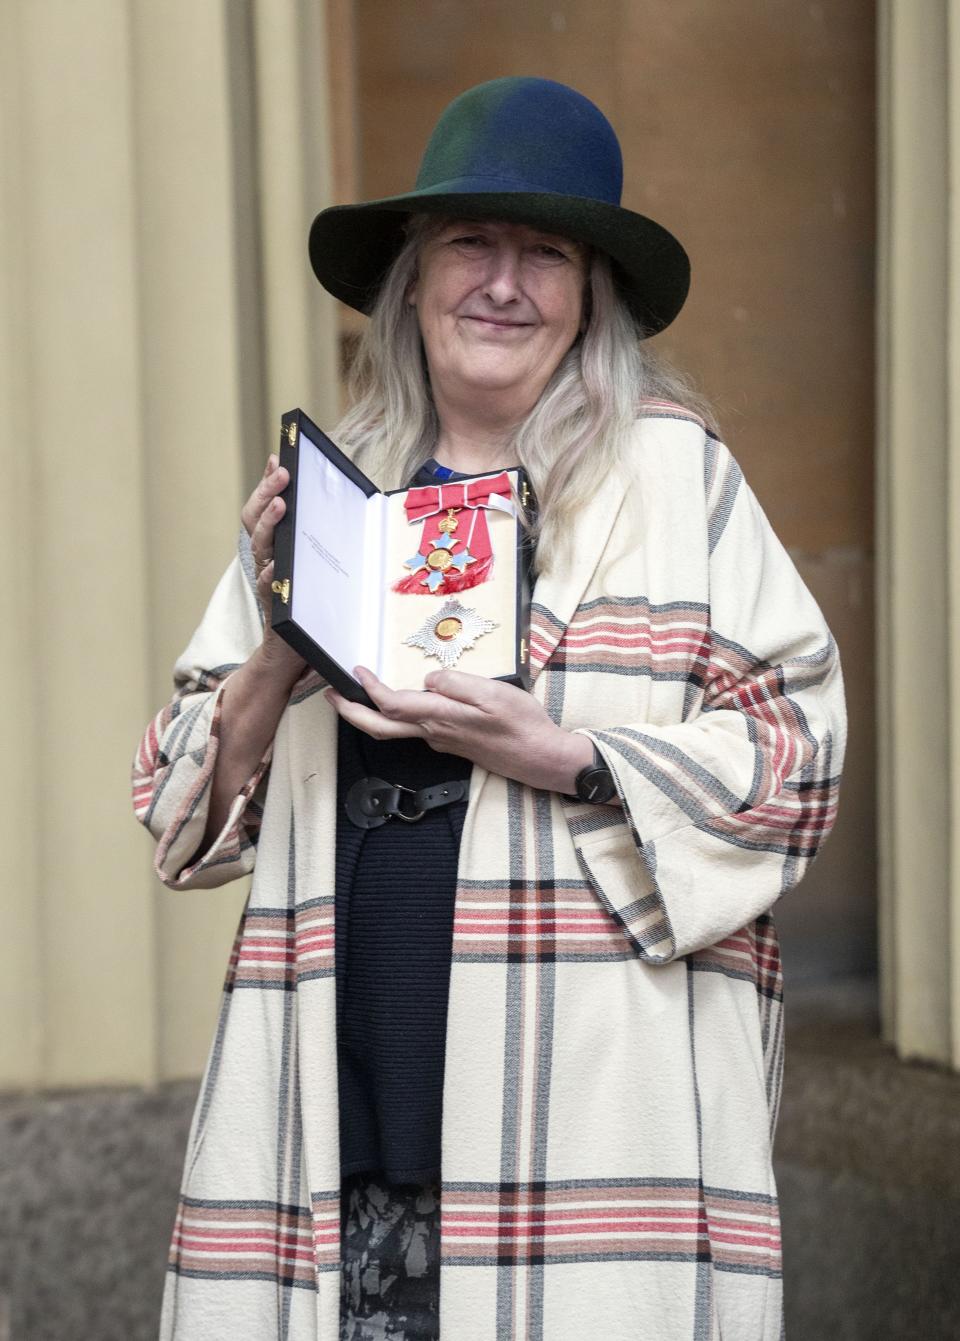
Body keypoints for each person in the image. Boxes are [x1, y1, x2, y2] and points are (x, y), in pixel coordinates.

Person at [133, 77, 845, 1341]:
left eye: (546, 253)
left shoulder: (676, 479)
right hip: (339, 1125)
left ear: (592, 297)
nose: (503, 283)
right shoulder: (331, 496)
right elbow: (179, 808)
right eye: (471, 242)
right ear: (412, 277)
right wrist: (276, 656)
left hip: (588, 1125)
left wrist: (570, 757)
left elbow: (799, 755)